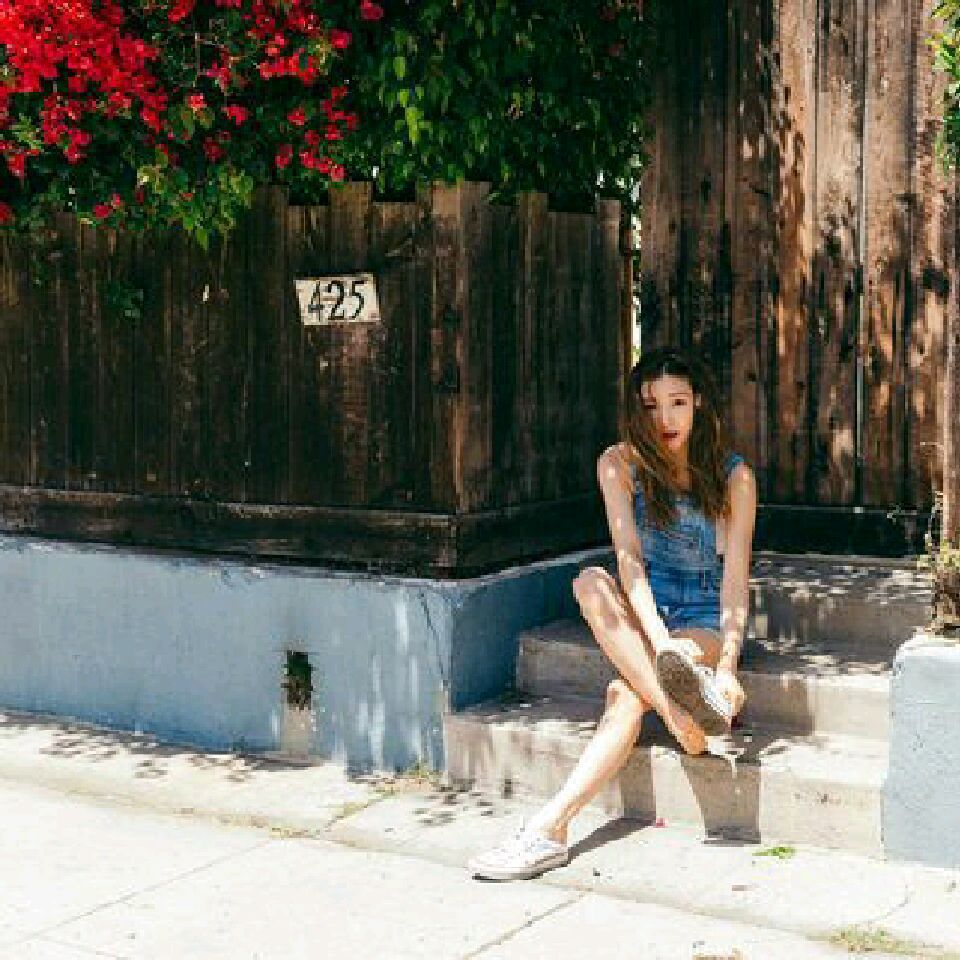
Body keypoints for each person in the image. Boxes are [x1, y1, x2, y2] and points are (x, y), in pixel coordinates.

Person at [468, 345, 758, 881]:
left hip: (701, 616)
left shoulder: (733, 476)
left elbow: (736, 580)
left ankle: (548, 830)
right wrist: (659, 642)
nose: (665, 419)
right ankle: (680, 718)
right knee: (590, 583)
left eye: (677, 402)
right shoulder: (618, 465)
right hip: (646, 614)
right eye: (651, 406)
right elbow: (630, 567)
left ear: (698, 403)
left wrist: (727, 667)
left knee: (625, 696)